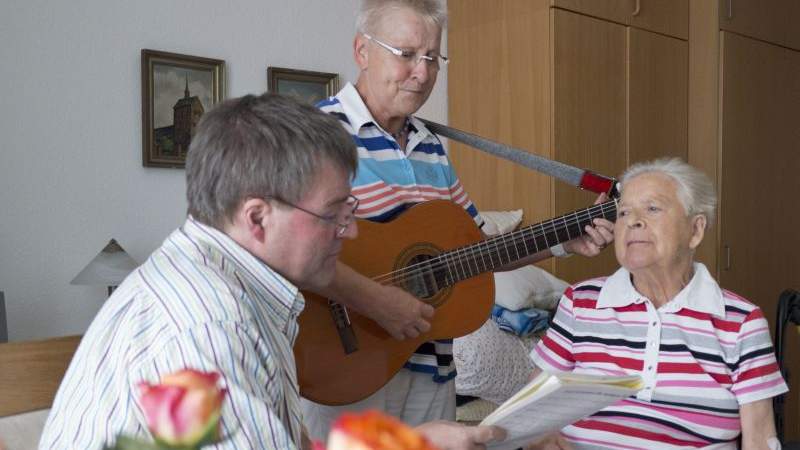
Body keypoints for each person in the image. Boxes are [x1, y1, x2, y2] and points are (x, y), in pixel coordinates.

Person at [39, 93, 503, 450]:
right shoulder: (211, 330)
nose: (351, 232)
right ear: (257, 218)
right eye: (334, 213)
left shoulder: (225, 284)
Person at [302, 0, 615, 442]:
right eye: (407, 54)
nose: (423, 72)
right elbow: (290, 255)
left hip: (430, 363)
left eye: (432, 57)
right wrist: (377, 301)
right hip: (346, 360)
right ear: (362, 51)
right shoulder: (315, 135)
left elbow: (478, 249)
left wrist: (564, 241)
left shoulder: (430, 146)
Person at [527, 158, 788, 449]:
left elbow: (761, 438)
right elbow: (531, 413)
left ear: (695, 230)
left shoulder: (741, 321)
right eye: (623, 212)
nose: (633, 221)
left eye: (652, 209)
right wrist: (542, 440)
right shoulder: (580, 302)